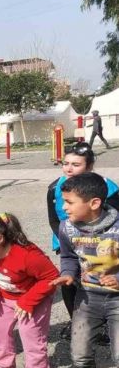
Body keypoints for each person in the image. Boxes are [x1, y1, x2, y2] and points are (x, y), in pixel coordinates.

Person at [46, 141, 119, 340]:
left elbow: (112, 218)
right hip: (68, 239)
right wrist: (67, 237)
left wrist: (93, 241)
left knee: (102, 279)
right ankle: (76, 319)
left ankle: (106, 323)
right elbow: (53, 218)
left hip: (101, 243)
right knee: (70, 281)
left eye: (76, 164)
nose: (69, 168)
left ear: (89, 167)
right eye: (65, 163)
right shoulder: (55, 188)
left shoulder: (108, 188)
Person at [0, 212, 58, 368]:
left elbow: (52, 277)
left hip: (34, 298)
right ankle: (5, 364)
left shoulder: (27, 255)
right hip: (5, 297)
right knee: (0, 333)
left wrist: (27, 301)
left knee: (31, 336)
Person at [52, 172, 119, 367]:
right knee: (80, 357)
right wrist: (67, 274)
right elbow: (69, 257)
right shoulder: (67, 228)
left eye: (69, 202)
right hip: (87, 299)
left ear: (94, 203)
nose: (64, 207)